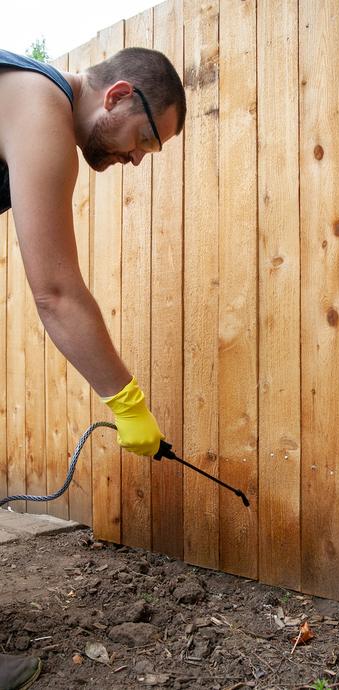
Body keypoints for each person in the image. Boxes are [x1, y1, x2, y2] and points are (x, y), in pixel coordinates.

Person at [0, 46, 186, 689]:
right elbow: (55, 291)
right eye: (144, 139)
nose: (136, 158)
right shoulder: (39, 100)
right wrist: (128, 403)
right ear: (118, 95)